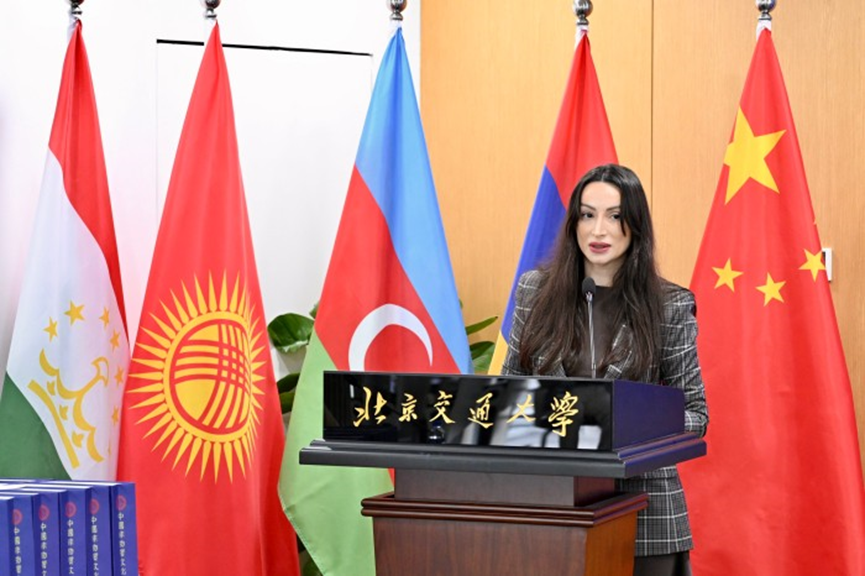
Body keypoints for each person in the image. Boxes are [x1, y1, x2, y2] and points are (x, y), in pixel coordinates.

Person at [502, 164, 708, 576]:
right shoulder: (534, 292)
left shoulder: (669, 305)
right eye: (587, 214)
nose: (599, 230)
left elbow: (696, 416)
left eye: (615, 216)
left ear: (635, 226)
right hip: (552, 503)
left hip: (644, 509)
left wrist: (626, 421)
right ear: (573, 223)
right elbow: (509, 394)